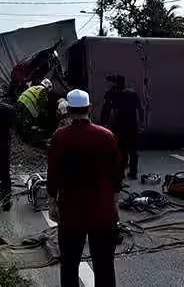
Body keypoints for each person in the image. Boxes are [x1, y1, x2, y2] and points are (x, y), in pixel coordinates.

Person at [48, 89, 122, 287]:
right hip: (102, 210)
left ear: (68, 110)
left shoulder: (59, 137)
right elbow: (117, 173)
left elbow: (53, 173)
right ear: (89, 108)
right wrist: (115, 202)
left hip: (71, 210)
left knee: (69, 265)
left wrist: (52, 202)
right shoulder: (106, 136)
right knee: (104, 265)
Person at [100, 74, 144, 180]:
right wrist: (141, 122)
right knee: (133, 149)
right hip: (132, 123)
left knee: (120, 148)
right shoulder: (132, 93)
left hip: (119, 124)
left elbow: (106, 108)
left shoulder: (112, 93)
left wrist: (103, 122)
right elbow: (140, 108)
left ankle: (121, 171)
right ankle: (133, 172)